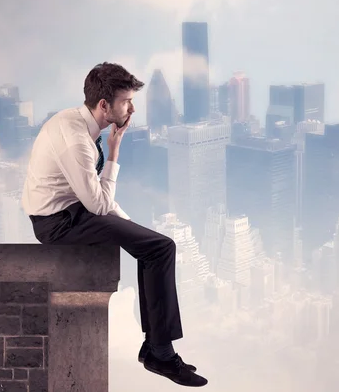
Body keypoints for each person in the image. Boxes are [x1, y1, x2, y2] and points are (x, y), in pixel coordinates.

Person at [21, 62, 208, 388]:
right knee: (161, 247)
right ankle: (159, 354)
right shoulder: (77, 141)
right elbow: (98, 204)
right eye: (126, 102)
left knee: (152, 246)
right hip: (59, 224)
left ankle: (156, 348)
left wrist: (132, 228)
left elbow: (97, 203)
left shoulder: (76, 122)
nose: (133, 108)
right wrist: (115, 152)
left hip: (72, 210)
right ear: (104, 105)